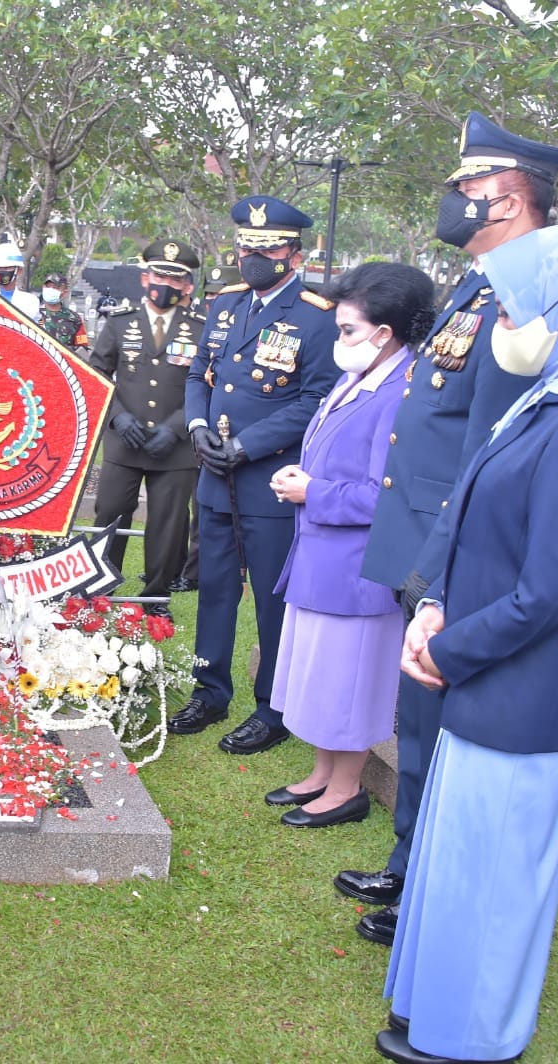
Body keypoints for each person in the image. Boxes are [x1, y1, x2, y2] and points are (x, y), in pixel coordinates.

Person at [380, 227, 558, 1064]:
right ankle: (431, 1006)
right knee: (459, 854)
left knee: (496, 873)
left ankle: (476, 1038)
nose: (503, 321)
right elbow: (479, 518)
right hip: (486, 661)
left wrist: (447, 649)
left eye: (516, 305)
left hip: (527, 681)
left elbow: (550, 588)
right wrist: (436, 610)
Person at [336, 112, 558, 948]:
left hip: (459, 543)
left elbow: (492, 445)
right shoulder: (482, 284)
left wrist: (442, 567)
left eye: (467, 195)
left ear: (508, 202)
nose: (455, 207)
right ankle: (410, 866)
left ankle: (427, 888)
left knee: (444, 722)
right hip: (426, 532)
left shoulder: (535, 292)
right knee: (418, 719)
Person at [264, 264, 432, 827]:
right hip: (319, 554)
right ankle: (320, 772)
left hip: (359, 565)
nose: (340, 342)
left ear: (385, 333)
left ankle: (347, 787)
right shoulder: (355, 378)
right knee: (317, 673)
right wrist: (303, 480)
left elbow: (391, 494)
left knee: (350, 681)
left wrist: (315, 492)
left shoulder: (403, 392)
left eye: (348, 330)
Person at [168, 195, 337, 754]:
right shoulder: (225, 305)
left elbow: (315, 398)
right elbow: (201, 372)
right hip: (216, 473)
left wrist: (247, 445)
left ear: (295, 252)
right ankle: (210, 689)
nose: (252, 258)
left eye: (266, 249)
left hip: (270, 480)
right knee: (215, 589)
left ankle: (273, 706)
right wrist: (197, 426)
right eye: (245, 247)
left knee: (270, 598)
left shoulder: (317, 317)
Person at [89, 240, 204, 619]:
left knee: (168, 525)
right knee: (109, 513)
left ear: (187, 286)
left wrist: (176, 427)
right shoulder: (120, 323)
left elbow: (208, 382)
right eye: (158, 275)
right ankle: (100, 587)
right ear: (144, 278)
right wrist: (117, 415)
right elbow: (96, 375)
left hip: (176, 447)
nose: (165, 283)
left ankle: (155, 598)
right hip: (124, 441)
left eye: (175, 278)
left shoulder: (200, 330)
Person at [36, 271, 90, 352]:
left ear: (65, 292)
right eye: (47, 286)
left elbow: (83, 348)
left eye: (55, 287)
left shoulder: (74, 319)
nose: (50, 290)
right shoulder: (34, 313)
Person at [0, 241, 41, 316]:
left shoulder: (31, 302)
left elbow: (39, 325)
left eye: (6, 268)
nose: (1, 271)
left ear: (19, 270)